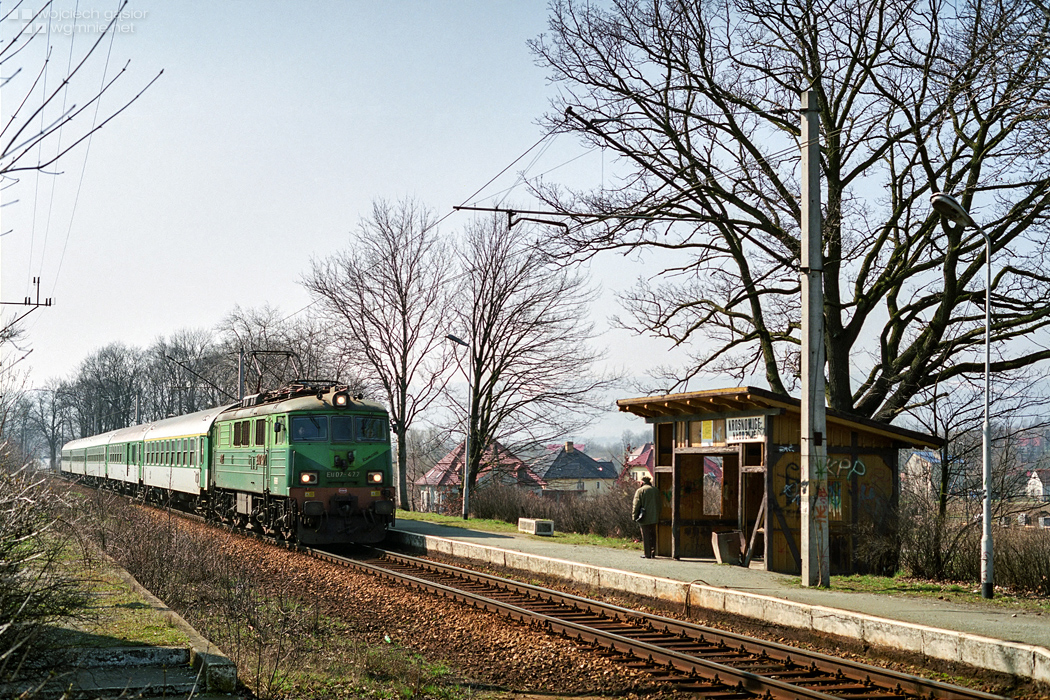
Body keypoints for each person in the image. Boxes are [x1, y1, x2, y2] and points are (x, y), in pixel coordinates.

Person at [632, 475, 661, 559]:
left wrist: (634, 516)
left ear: (642, 482)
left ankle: (647, 554)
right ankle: (653, 552)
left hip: (644, 517)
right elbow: (660, 504)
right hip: (654, 516)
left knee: (646, 535)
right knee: (653, 535)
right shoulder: (656, 490)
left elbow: (636, 505)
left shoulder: (640, 491)